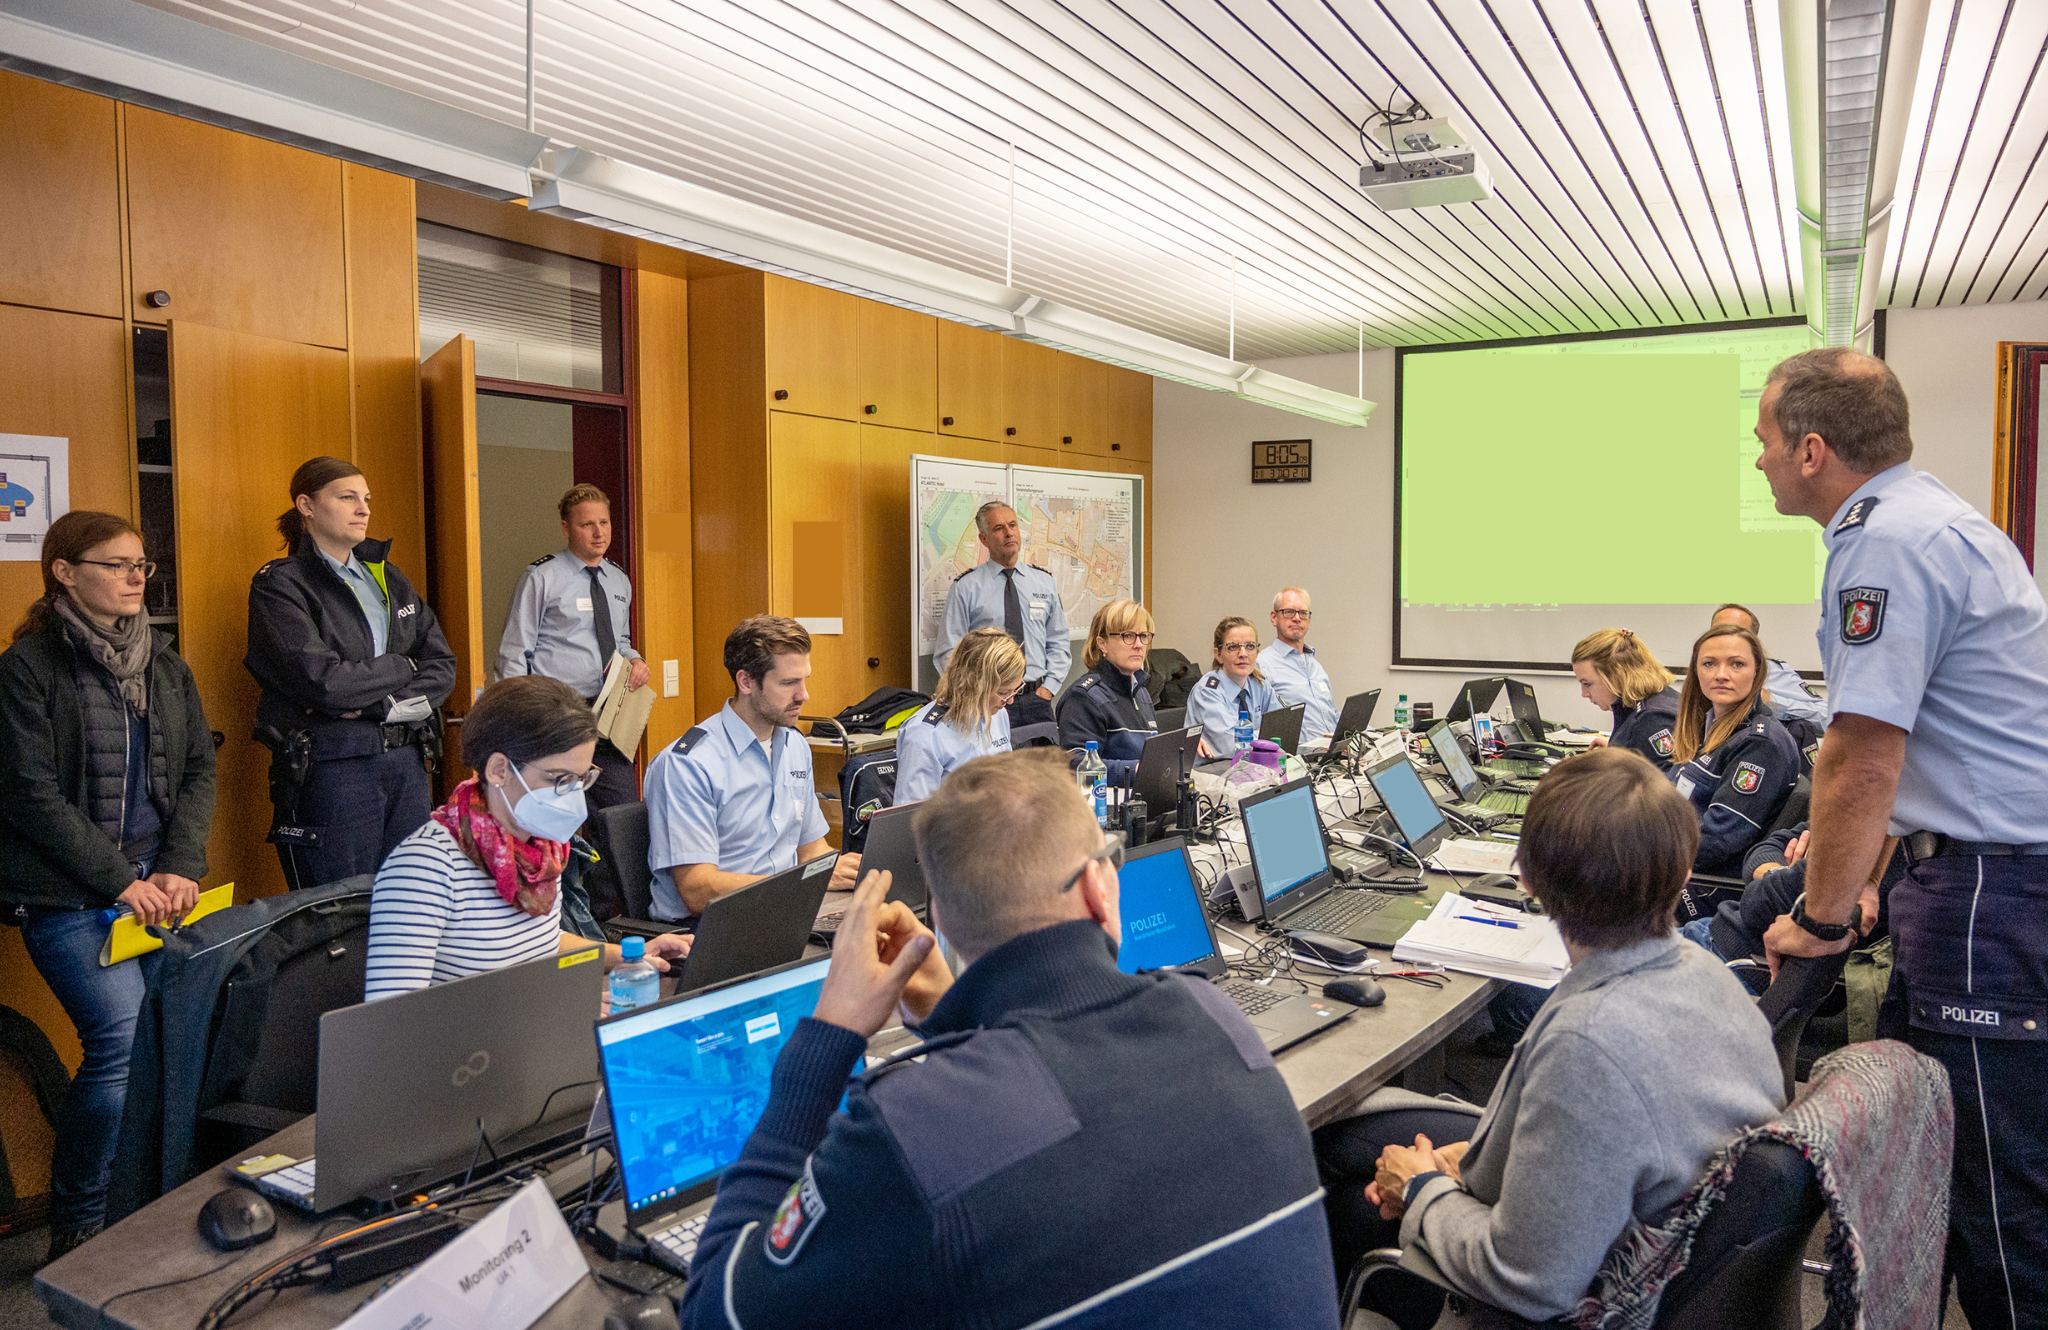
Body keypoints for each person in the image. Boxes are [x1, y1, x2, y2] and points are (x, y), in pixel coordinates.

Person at [679, 750, 1340, 1329]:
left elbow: (715, 1309)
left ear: (941, 920)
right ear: (1099, 888)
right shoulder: (1215, 1018)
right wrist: (952, 1015)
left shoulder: (911, 1127)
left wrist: (828, 1040)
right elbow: (1057, 1103)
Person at [1754, 347, 2048, 1329]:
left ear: (1808, 448)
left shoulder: (1880, 541)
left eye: (1760, 440)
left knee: (1994, 1191)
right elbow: (1922, 742)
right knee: (1917, 1153)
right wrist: (1874, 872)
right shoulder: (1945, 519)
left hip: (1985, 894)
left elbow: (1861, 757)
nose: (1754, 461)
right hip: (1975, 882)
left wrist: (1821, 916)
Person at [1314, 748, 1783, 1327]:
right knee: (1359, 1153)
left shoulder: (1587, 1045)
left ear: (1527, 878)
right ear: (1683, 871)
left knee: (1337, 1172)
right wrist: (1479, 1163)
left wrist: (1422, 1190)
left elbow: (1530, 1283)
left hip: (1572, 1295)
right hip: (1662, 1247)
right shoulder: (1708, 974)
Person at [0, 512, 217, 1261]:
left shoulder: (166, 665)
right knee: (121, 1043)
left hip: (161, 890)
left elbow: (197, 771)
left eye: (141, 567)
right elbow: (28, 796)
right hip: (68, 897)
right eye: (118, 564)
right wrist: (121, 882)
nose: (135, 578)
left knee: (182, 1041)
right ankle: (79, 1228)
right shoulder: (27, 669)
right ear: (64, 571)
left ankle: (156, 1205)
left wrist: (180, 865)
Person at [364, 676, 688, 999]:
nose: (574, 796)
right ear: (499, 770)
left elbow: (541, 943)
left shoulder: (540, 849)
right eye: (560, 779)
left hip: (535, 1023)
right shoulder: (423, 867)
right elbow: (392, 1022)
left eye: (581, 779)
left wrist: (628, 955)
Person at [246, 457, 456, 889]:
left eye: (366, 499)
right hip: (335, 768)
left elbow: (441, 666)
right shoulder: (280, 584)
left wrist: (380, 707)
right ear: (306, 505)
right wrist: (403, 665)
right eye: (347, 498)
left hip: (408, 764)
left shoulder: (389, 578)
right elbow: (326, 683)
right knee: (341, 913)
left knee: (410, 902)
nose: (364, 509)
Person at [642, 616, 860, 923]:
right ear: (746, 682)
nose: (803, 695)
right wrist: (804, 883)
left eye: (804, 679)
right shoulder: (689, 764)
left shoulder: (794, 745)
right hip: (710, 926)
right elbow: (697, 889)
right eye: (788, 683)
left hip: (780, 907)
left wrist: (848, 872)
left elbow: (811, 850)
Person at [496, 483, 648, 812]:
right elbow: (514, 652)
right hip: (557, 715)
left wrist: (635, 660)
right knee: (558, 819)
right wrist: (520, 719)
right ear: (566, 528)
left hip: (609, 716)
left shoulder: (618, 580)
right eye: (587, 524)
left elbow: (620, 640)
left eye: (604, 523)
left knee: (622, 815)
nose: (599, 533)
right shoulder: (543, 577)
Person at [1664, 624, 1801, 876]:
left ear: (1757, 672)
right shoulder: (1703, 728)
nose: (1721, 674)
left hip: (1708, 885)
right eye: (1709, 664)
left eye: (1736, 664)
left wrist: (1644, 852)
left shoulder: (1760, 743)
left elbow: (1716, 841)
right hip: (1677, 863)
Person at [933, 501, 1069, 726]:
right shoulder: (966, 587)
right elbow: (949, 652)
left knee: (1044, 761)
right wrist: (976, 695)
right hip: (990, 705)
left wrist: (1049, 688)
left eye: (1012, 525)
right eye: (999, 528)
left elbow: (1058, 642)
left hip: (1037, 699)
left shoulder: (1044, 582)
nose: (1008, 533)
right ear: (984, 539)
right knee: (996, 763)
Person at [892, 627, 1021, 805]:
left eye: (1015, 690)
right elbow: (912, 819)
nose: (1011, 701)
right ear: (975, 684)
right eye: (1003, 692)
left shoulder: (998, 714)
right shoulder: (925, 735)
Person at [1054, 598, 1160, 787]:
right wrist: (1134, 771)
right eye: (1128, 636)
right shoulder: (1083, 698)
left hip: (1143, 796)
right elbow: (1075, 766)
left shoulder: (1141, 692)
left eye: (1143, 636)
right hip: (1107, 805)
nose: (1139, 644)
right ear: (1102, 644)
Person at [1569, 628, 1681, 771]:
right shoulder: (1652, 700)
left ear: (1616, 676)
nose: (1584, 693)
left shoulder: (1653, 719)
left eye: (1587, 684)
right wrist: (1619, 748)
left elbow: (1661, 788)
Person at [1709, 603, 1828, 727]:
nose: (1725, 639)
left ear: (1753, 641)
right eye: (1718, 632)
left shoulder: (1772, 672)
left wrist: (1770, 701)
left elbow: (1827, 717)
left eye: (1736, 632)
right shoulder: (1701, 671)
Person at [1187, 616, 1279, 757]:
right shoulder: (1207, 691)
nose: (1243, 654)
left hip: (1254, 768)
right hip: (1213, 771)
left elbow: (1281, 729)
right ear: (1218, 655)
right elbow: (1232, 747)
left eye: (1250, 646)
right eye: (1233, 647)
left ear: (1257, 652)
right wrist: (1263, 734)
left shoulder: (1260, 684)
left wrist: (1252, 735)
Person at [1259, 587, 1337, 742]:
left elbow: (1331, 714)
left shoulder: (1316, 666)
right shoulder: (1262, 665)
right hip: (1300, 758)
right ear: (1274, 618)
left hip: (1334, 753)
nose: (1297, 618)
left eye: (1303, 613)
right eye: (1289, 612)